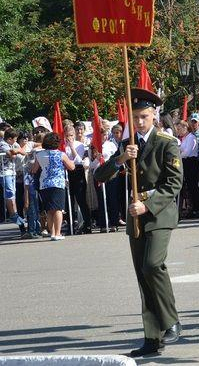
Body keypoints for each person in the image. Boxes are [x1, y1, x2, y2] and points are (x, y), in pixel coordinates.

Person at [94, 88, 184, 357]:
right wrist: (121, 159)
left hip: (159, 213)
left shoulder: (167, 143)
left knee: (152, 264)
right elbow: (100, 174)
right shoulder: (126, 144)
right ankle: (152, 338)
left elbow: (174, 183)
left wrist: (148, 204)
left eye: (144, 116)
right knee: (142, 276)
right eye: (135, 117)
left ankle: (171, 321)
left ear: (154, 115)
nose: (140, 121)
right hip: (135, 214)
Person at [31, 132, 76, 240]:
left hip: (44, 184)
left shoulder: (39, 155)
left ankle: (52, 233)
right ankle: (58, 233)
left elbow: (34, 169)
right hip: (58, 183)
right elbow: (72, 167)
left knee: (49, 210)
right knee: (58, 209)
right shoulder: (61, 154)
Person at [64, 125, 92, 234]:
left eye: (71, 135)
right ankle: (70, 225)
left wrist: (71, 147)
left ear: (74, 135)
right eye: (67, 135)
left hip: (78, 171)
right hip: (67, 172)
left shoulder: (79, 145)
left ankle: (87, 224)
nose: (69, 137)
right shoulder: (62, 146)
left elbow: (79, 160)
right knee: (68, 201)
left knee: (81, 199)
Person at [1, 128, 26, 235]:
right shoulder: (2, 144)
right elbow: (10, 154)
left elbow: (18, 152)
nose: (16, 142)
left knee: (13, 194)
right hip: (4, 172)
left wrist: (17, 150)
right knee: (9, 192)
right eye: (14, 140)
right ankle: (12, 214)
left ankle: (14, 213)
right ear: (9, 139)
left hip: (12, 172)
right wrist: (18, 151)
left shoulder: (11, 144)